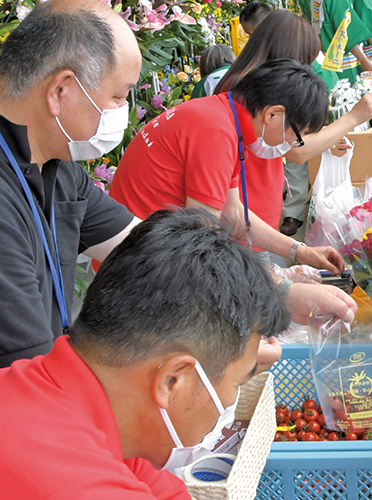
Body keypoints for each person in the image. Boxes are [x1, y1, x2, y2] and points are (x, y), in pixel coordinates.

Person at [0, 208, 292, 498]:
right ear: (172, 381)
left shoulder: (93, 410)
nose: (232, 403)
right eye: (239, 383)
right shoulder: (81, 487)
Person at [0, 0, 141, 367]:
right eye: (119, 96)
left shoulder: (56, 167)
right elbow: (24, 373)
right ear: (60, 91)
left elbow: (142, 245)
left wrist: (278, 287)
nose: (121, 112)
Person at [111, 59, 344, 273]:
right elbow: (204, 233)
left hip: (152, 249)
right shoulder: (215, 131)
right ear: (273, 114)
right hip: (141, 265)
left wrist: (299, 251)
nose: (292, 145)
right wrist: (276, 283)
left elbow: (232, 213)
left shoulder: (223, 116)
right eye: (297, 136)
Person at [215, 10, 372, 238]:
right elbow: (297, 151)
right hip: (248, 214)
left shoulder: (244, 80)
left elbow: (287, 142)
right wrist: (353, 117)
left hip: (256, 209)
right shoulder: (250, 91)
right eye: (303, 61)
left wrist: (326, 138)